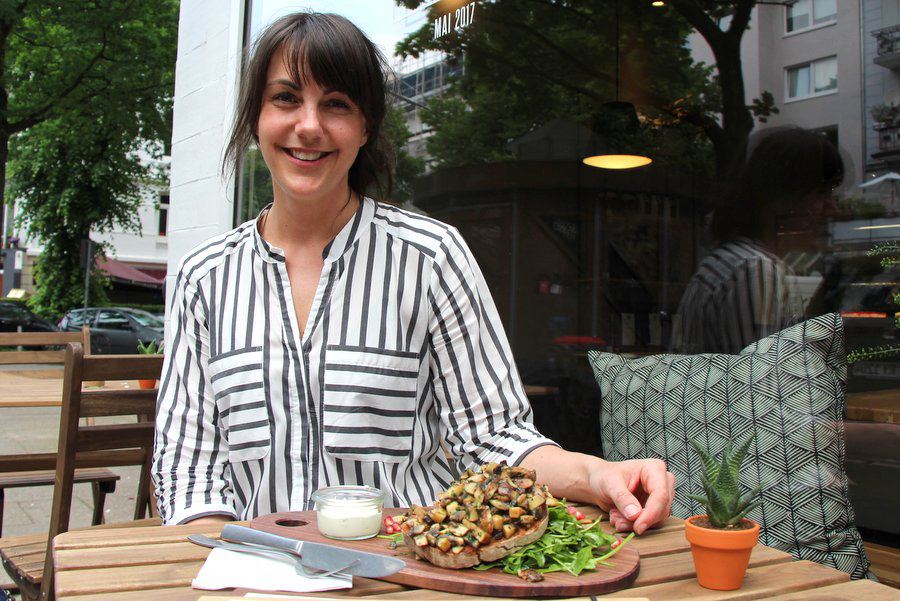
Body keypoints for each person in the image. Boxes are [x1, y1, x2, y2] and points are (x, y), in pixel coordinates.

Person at [152, 11, 674, 535]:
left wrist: (599, 475)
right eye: (286, 98)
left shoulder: (430, 256)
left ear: (365, 128)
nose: (308, 125)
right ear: (255, 117)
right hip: (253, 574)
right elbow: (188, 469)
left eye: (336, 104)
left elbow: (494, 438)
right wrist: (231, 565)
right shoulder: (205, 279)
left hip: (407, 571)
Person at [671, 127, 845, 354]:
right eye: (821, 193)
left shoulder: (737, 261)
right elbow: (762, 384)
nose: (834, 210)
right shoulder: (755, 271)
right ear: (781, 199)